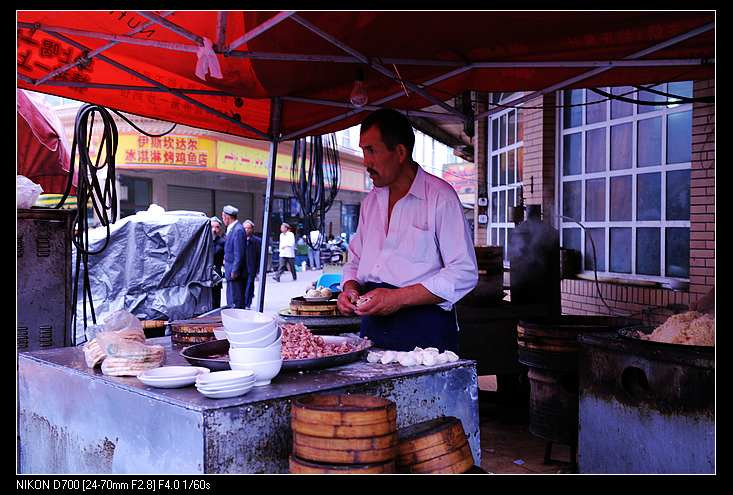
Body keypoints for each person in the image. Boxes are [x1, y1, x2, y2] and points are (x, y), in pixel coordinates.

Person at [336, 109, 478, 353]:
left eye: (371, 150)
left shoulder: (440, 197)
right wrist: (350, 288)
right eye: (363, 151)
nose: (366, 162)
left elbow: (464, 272)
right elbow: (356, 259)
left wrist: (397, 298)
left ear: (400, 152)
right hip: (374, 326)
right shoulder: (371, 202)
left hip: (425, 329)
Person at [221, 205, 246, 309]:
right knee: (231, 297)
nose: (223, 220)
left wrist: (235, 270)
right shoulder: (232, 229)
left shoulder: (238, 230)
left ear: (227, 217)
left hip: (234, 272)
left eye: (223, 217)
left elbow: (239, 253)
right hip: (230, 269)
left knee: (235, 299)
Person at [242, 219, 261, 310]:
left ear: (252, 229)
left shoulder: (256, 241)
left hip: (251, 267)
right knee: (243, 285)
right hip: (242, 267)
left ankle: (247, 303)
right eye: (245, 228)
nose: (246, 230)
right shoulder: (240, 239)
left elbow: (259, 255)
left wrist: (257, 269)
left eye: (248, 228)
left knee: (249, 285)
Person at [210, 216, 226, 308]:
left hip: (217, 272)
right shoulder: (204, 241)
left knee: (216, 298)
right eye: (212, 227)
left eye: (217, 227)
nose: (214, 230)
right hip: (205, 274)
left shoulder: (222, 241)